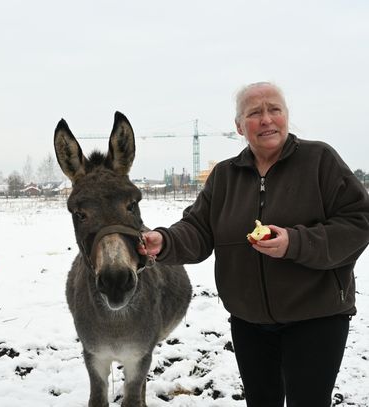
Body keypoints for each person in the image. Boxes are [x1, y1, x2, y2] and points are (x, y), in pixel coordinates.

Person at [139, 82, 369, 406]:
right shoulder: (224, 177)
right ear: (238, 126)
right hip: (249, 324)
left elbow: (359, 220)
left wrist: (296, 242)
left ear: (286, 116)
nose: (266, 119)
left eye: (274, 109)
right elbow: (197, 229)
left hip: (317, 318)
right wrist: (164, 240)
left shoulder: (320, 161)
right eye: (255, 113)